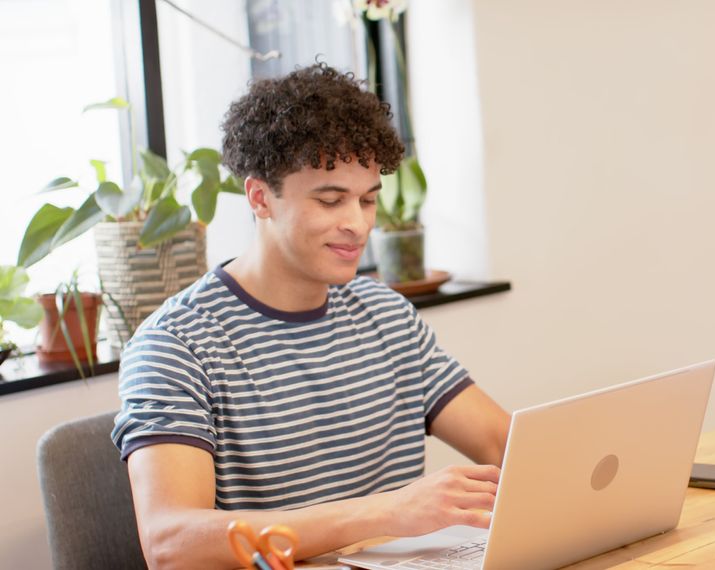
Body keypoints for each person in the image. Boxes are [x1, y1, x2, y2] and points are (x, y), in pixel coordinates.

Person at [111, 62, 511, 569]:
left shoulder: (386, 315)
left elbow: (503, 442)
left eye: (367, 200)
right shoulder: (176, 345)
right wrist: (390, 513)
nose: (356, 225)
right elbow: (171, 543)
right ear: (260, 198)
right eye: (330, 200)